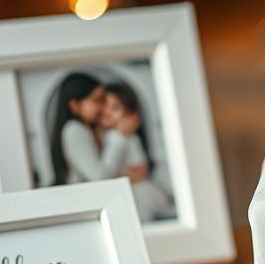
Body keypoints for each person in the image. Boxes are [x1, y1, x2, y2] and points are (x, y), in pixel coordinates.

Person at [46, 72, 144, 188]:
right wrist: (120, 136)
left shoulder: (89, 129)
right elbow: (100, 177)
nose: (102, 107)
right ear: (75, 106)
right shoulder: (74, 129)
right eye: (96, 100)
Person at [102, 80, 175, 221]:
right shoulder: (110, 136)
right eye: (104, 106)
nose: (107, 112)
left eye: (115, 108)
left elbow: (138, 165)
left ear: (129, 115)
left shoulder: (123, 136)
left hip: (139, 191)